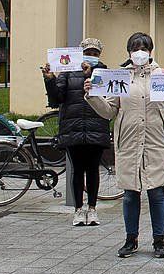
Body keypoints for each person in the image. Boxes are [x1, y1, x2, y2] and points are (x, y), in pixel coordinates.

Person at [85, 32, 164, 259]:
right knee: (130, 193)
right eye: (135, 48)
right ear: (129, 52)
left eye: (144, 48)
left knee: (157, 192)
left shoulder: (163, 75)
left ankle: (159, 240)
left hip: (156, 141)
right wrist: (92, 95)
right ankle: (130, 239)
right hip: (129, 141)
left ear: (151, 51)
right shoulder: (120, 76)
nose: (140, 52)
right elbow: (109, 111)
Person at [44, 37, 113, 226]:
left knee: (93, 169)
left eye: (95, 53)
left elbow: (110, 97)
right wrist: (50, 80)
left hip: (96, 126)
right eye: (88, 53)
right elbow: (57, 97)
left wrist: (90, 75)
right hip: (72, 127)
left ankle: (92, 208)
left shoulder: (104, 71)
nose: (91, 56)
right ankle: (78, 209)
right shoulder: (67, 72)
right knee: (77, 170)